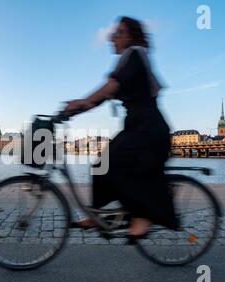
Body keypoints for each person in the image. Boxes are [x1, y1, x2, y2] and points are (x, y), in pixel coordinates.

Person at [64, 16, 178, 239]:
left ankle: (142, 215)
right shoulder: (127, 60)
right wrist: (73, 110)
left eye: (118, 33)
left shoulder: (135, 54)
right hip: (136, 126)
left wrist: (80, 101)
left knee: (119, 165)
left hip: (149, 129)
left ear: (130, 36)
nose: (112, 37)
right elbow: (102, 97)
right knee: (100, 163)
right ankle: (97, 214)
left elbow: (111, 86)